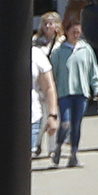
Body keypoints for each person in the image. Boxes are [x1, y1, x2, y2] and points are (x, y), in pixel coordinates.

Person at [48, 13, 98, 167]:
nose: (76, 35)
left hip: (81, 93)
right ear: (67, 32)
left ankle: (74, 154)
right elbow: (51, 74)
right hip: (65, 93)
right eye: (73, 32)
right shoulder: (59, 52)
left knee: (77, 124)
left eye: (78, 32)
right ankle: (58, 146)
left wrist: (97, 87)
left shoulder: (86, 49)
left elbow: (93, 71)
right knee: (65, 122)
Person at [32, 10, 64, 159]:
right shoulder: (36, 42)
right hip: (41, 84)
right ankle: (36, 143)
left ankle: (52, 148)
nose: (47, 26)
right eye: (45, 23)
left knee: (53, 116)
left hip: (57, 82)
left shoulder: (62, 43)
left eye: (51, 23)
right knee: (42, 116)